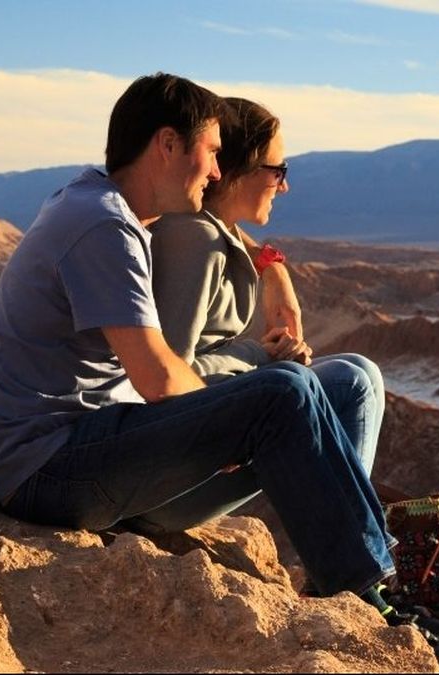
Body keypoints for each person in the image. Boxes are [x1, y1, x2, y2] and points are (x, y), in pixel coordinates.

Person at [0, 73, 439, 672]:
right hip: (47, 469)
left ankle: (365, 579)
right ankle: (370, 604)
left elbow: (220, 247)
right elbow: (160, 379)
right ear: (167, 144)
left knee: (334, 383)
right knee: (282, 392)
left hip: (85, 454)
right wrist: (238, 415)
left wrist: (271, 268)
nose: (217, 172)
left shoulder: (102, 207)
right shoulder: (102, 226)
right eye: (212, 152)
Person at [148, 96, 384, 475]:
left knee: (361, 370)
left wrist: (271, 265)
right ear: (237, 171)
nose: (284, 186)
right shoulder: (196, 242)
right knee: (350, 381)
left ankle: (357, 524)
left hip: (197, 441)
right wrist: (260, 356)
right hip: (177, 463)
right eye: (278, 170)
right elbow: (170, 375)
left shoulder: (214, 235)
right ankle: (352, 531)